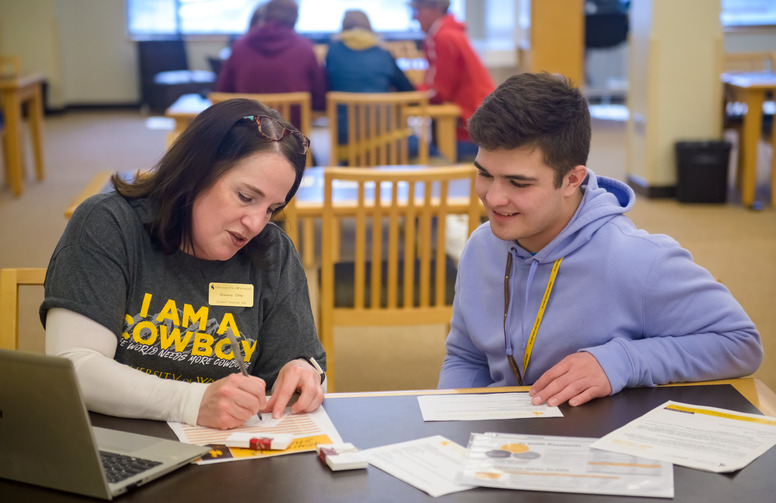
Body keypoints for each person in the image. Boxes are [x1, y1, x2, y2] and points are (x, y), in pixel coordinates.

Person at [437, 72, 763, 407]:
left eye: (518, 183)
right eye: (485, 174)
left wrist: (622, 361)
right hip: (503, 446)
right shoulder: (481, 247)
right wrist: (448, 420)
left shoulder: (638, 260)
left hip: (595, 445)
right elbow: (467, 358)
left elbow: (741, 342)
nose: (493, 198)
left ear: (571, 180)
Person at [41, 98, 326, 430]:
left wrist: (304, 375)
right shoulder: (109, 224)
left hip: (230, 458)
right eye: (245, 197)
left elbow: (301, 371)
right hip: (116, 442)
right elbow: (76, 365)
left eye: (271, 209)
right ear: (194, 172)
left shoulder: (272, 252)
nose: (256, 224)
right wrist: (192, 402)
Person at [409, 0, 495, 161]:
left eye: (417, 10)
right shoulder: (449, 32)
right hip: (479, 118)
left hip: (468, 126)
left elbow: (439, 91)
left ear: (435, 9)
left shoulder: (443, 36)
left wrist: (408, 91)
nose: (415, 18)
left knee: (423, 155)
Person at [215, 0, 326, 116]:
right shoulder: (305, 48)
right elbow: (320, 99)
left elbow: (222, 94)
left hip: (248, 130)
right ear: (295, 19)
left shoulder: (240, 46)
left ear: (265, 15)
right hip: (292, 130)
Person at [325, 9, 417, 149]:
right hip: (386, 138)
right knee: (435, 155)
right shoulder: (383, 54)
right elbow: (409, 92)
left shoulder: (333, 52)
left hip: (347, 143)